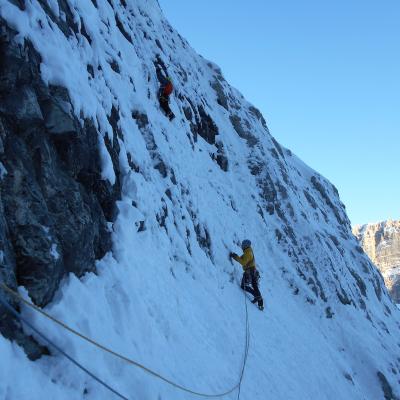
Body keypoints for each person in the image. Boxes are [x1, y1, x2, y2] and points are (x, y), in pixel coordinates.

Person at [230, 239, 264, 310]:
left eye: (243, 245)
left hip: (249, 271)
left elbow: (243, 262)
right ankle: (260, 304)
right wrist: (236, 257)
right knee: (255, 286)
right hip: (253, 271)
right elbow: (242, 259)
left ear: (245, 246)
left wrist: (235, 257)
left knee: (243, 286)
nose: (242, 246)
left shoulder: (248, 253)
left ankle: (256, 296)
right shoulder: (248, 251)